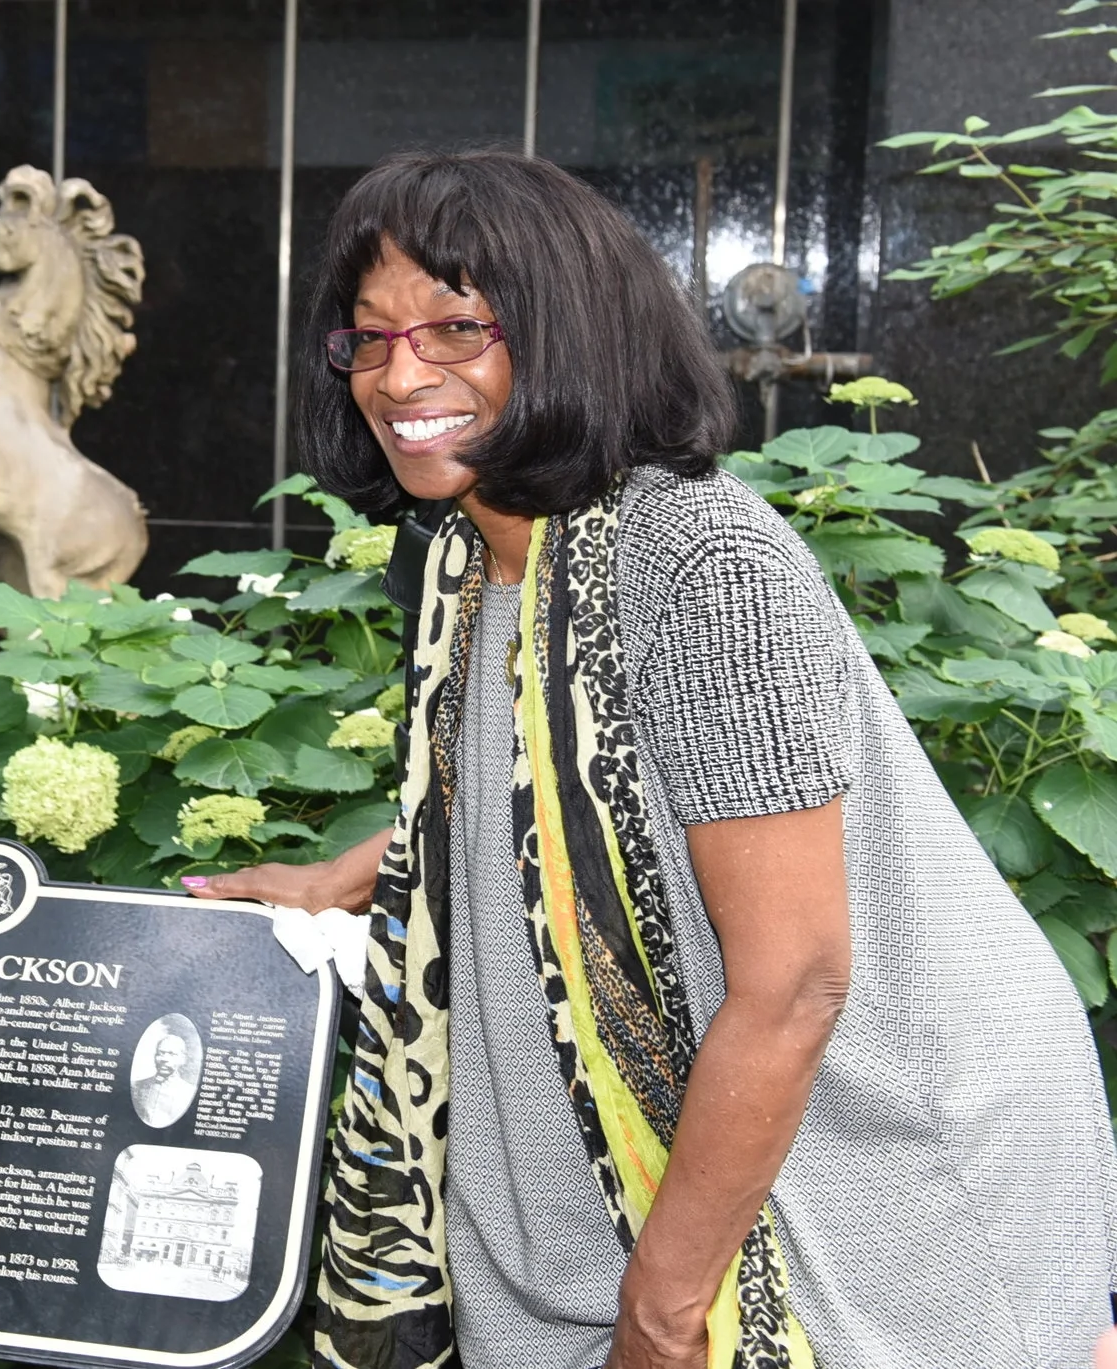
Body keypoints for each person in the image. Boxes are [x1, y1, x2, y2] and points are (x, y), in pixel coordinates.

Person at [186, 150, 1117, 1368]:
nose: (400, 375)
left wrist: (666, 1313)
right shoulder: (472, 555)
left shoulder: (699, 564)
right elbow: (538, 791)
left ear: (569, 330)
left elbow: (794, 982)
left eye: (457, 327)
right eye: (371, 337)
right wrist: (345, 878)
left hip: (868, 1179)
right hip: (627, 1165)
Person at [129, 1027, 198, 1128]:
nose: (164, 1059)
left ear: (182, 1059)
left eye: (172, 1054)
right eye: (160, 1053)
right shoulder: (136, 1086)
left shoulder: (190, 1092)